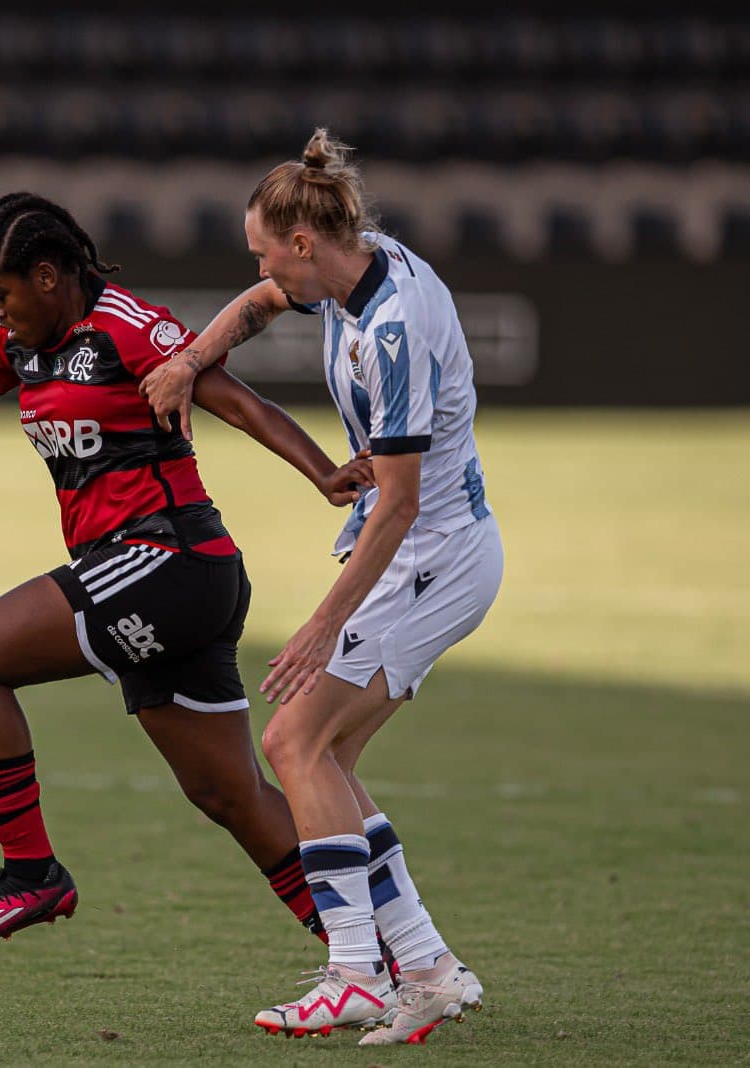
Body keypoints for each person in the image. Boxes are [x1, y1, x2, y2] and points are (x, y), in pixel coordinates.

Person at [0, 192, 374, 948]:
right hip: (150, 573)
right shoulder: (18, 342)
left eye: (2, 293)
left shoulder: (127, 326)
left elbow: (234, 398)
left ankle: (32, 874)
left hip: (167, 559)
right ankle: (379, 955)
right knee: (228, 794)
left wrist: (323, 473)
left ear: (50, 276)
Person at [140, 130, 502, 1044]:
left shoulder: (393, 330)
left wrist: (317, 625)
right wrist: (189, 358)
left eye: (266, 249)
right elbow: (263, 304)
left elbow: (398, 505)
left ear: (305, 242)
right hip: (426, 550)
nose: (260, 267)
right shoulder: (353, 270)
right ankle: (425, 966)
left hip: (429, 555)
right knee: (326, 760)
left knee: (294, 739)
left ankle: (352, 974)